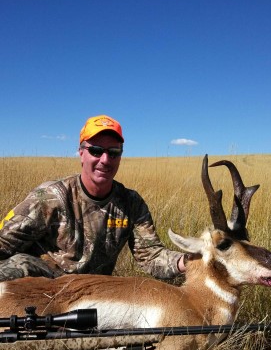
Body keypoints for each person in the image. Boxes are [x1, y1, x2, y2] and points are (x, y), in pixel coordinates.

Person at [0, 114, 188, 282]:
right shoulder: (50, 196)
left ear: (120, 157)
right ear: (82, 153)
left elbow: (151, 256)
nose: (105, 160)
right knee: (19, 265)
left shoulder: (131, 203)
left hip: (93, 295)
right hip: (42, 290)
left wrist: (190, 261)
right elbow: (3, 243)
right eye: (96, 151)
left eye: (113, 152)